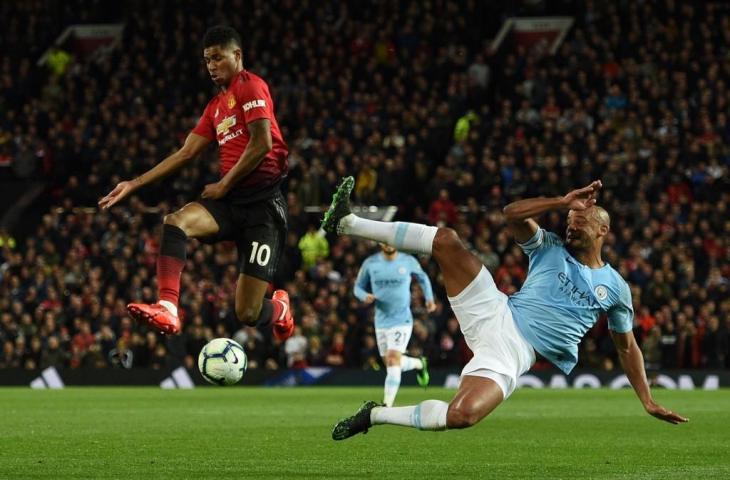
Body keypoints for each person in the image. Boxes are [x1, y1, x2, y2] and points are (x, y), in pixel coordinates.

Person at [321, 177, 687, 440]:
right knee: (446, 240)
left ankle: (375, 414)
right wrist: (561, 202)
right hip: (495, 309)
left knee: (463, 416)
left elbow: (627, 347)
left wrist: (647, 399)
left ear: (603, 230)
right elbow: (511, 213)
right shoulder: (549, 247)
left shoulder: (617, 289)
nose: (571, 230)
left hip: (512, 351)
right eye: (570, 223)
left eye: (581, 225)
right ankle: (347, 222)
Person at [98, 25, 293, 341]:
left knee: (247, 313)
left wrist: (224, 184)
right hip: (231, 203)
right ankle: (168, 308)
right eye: (207, 60)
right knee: (175, 222)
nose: (212, 66)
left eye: (218, 58)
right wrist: (134, 184)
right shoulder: (216, 106)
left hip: (263, 209)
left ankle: (281, 310)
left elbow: (262, 143)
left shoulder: (251, 86)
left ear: (237, 55)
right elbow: (186, 152)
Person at [354, 242, 436, 407]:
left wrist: (429, 298)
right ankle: (419, 363)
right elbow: (358, 287)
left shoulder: (407, 260)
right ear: (379, 242)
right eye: (384, 240)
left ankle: (386, 405)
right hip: (381, 321)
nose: (388, 243)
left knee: (392, 360)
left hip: (402, 319)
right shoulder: (371, 263)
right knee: (391, 363)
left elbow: (423, 278)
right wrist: (364, 296)